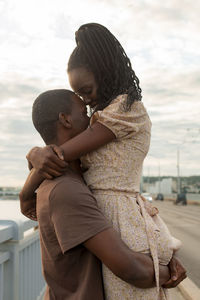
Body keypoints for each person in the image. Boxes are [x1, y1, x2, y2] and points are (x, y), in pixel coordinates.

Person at [26, 24, 183, 299]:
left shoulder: (126, 108)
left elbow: (62, 153)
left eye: (86, 90)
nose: (86, 101)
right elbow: (60, 156)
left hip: (121, 222)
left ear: (104, 72)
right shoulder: (101, 116)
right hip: (101, 219)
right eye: (81, 97)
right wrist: (35, 165)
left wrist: (38, 157)